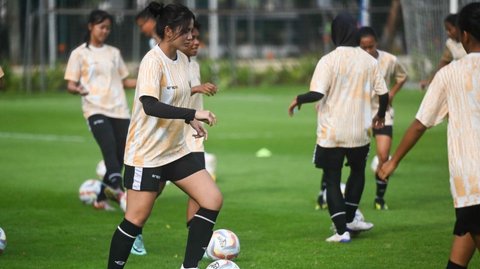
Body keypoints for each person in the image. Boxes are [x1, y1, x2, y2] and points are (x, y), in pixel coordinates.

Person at [107, 3, 222, 269]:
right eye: (187, 32)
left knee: (212, 199)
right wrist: (189, 114)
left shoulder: (183, 59)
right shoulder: (152, 61)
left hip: (175, 150)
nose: (192, 38)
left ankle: (189, 267)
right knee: (136, 219)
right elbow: (151, 104)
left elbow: (178, 96)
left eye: (193, 32)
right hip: (146, 153)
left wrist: (191, 119)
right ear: (169, 31)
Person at [378, 3, 480, 268]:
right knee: (460, 247)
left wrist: (393, 160)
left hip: (472, 182)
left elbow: (420, 124)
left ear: (465, 35)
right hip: (472, 190)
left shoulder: (450, 74)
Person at [288, 13, 389, 243]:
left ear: (335, 33)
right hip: (359, 132)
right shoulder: (369, 61)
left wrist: (298, 99)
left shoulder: (329, 60)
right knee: (357, 172)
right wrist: (380, 116)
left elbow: (317, 93)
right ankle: (351, 218)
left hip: (332, 132)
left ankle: (342, 231)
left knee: (332, 178)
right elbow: (384, 93)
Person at [64, 10, 136, 211]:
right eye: (101, 27)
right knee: (109, 147)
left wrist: (148, 82)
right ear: (90, 26)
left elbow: (124, 81)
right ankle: (119, 189)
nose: (105, 31)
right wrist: (76, 88)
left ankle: (100, 198)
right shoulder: (79, 54)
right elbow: (71, 84)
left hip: (120, 109)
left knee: (121, 156)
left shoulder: (114, 53)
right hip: (95, 109)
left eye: (108, 28)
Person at [358, 26, 408, 210]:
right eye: (363, 47)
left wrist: (392, 93)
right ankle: (326, 193)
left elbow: (402, 77)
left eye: (371, 46)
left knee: (383, 155)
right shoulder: (353, 61)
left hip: (382, 113)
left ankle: (379, 199)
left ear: (376, 43)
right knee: (345, 156)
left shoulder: (389, 59)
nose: (368, 51)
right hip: (358, 113)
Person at [420, 13, 466, 90]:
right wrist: (429, 81)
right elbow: (442, 65)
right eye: (446, 30)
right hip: (462, 81)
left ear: (458, 27)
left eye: (450, 29)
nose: (448, 32)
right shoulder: (450, 44)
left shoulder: (472, 40)